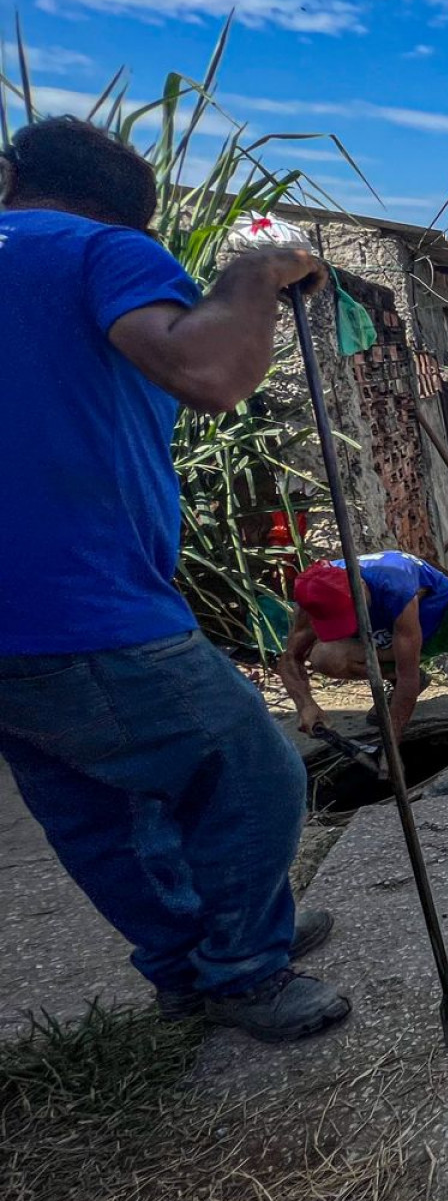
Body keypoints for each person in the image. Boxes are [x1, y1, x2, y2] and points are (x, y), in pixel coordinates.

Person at [0, 117, 350, 1042]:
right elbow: (208, 368)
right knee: (254, 774)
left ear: (10, 177)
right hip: (78, 602)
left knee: (102, 814)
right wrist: (254, 270)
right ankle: (240, 966)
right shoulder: (97, 250)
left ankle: (191, 966)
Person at [279, 552, 448, 738]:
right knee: (324, 656)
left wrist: (392, 742)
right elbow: (290, 658)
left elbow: (408, 674)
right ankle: (394, 676)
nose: (345, 623)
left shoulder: (395, 582)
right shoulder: (314, 592)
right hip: (387, 638)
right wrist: (305, 704)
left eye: (347, 614)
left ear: (361, 587)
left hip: (439, 623)